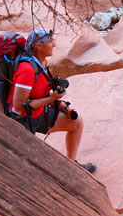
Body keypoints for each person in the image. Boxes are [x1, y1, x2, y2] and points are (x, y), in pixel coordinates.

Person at [7, 28, 96, 173]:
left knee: (76, 122)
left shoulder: (42, 63)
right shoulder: (27, 70)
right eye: (49, 42)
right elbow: (19, 107)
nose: (54, 44)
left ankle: (72, 167)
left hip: (37, 113)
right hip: (20, 121)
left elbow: (43, 92)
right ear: (39, 46)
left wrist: (63, 108)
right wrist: (50, 98)